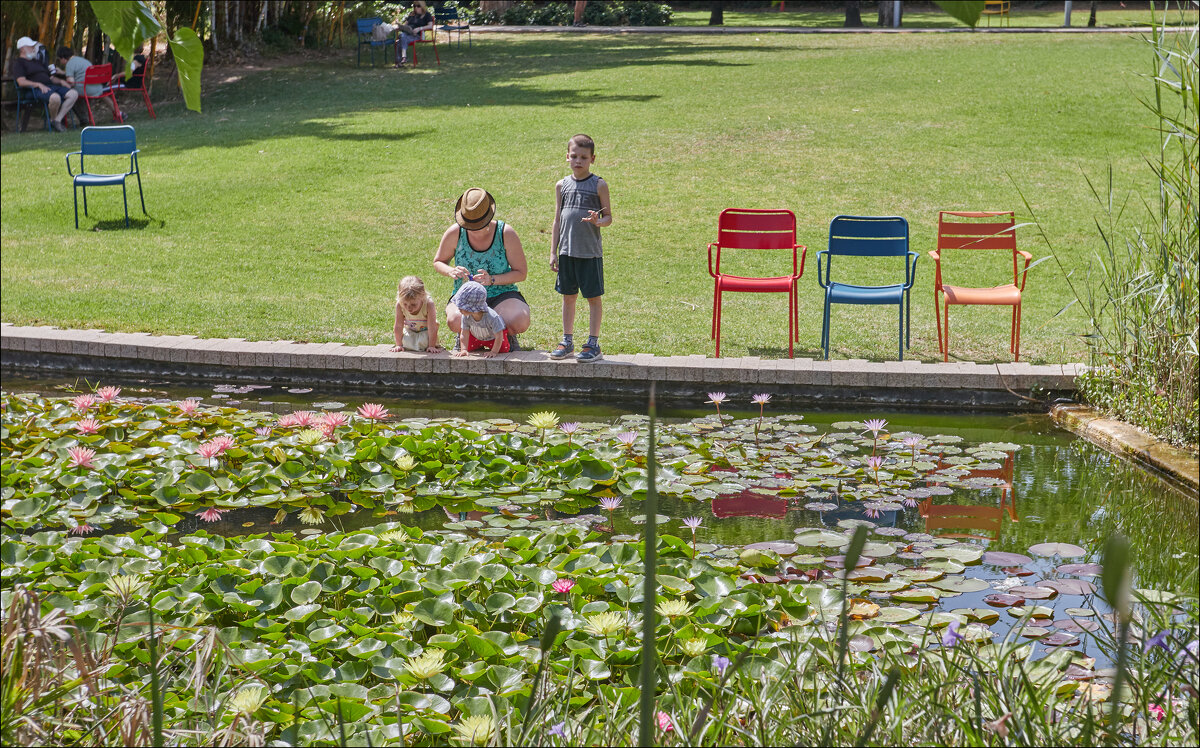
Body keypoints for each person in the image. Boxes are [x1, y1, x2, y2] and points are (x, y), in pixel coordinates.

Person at [433, 188, 531, 350]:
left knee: (518, 319)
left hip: (501, 295)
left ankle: (505, 337)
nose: (473, 229)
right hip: (466, 297)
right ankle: (468, 337)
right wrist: (450, 271)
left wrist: (492, 280)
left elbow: (521, 273)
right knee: (455, 320)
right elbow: (438, 262)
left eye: (478, 224)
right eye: (469, 224)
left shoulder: (505, 233)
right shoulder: (455, 232)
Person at [549, 134, 613, 363]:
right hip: (566, 252)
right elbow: (557, 219)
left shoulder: (599, 185)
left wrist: (598, 221)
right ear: (567, 157)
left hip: (589, 253)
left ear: (592, 159)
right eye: (574, 156)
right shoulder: (561, 185)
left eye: (584, 157)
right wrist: (552, 252)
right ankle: (567, 341)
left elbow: (609, 218)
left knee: (593, 297)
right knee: (568, 297)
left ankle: (593, 343)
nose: (578, 161)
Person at [12, 36, 78, 132]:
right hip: (34, 90)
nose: (33, 48)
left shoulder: (37, 61)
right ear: (22, 49)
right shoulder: (19, 63)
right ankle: (54, 120)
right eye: (31, 46)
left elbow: (50, 77)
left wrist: (61, 81)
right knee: (55, 98)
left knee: (73, 94)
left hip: (50, 86)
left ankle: (56, 120)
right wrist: (38, 84)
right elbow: (21, 81)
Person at [57, 46, 124, 124]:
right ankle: (119, 113)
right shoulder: (82, 60)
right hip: (97, 87)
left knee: (69, 95)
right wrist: (63, 73)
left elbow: (71, 82)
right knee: (101, 94)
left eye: (59, 60)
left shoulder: (69, 64)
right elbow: (82, 73)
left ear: (63, 58)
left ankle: (76, 120)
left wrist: (61, 81)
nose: (60, 62)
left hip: (85, 89)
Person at [450, 281, 511, 358]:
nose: (459, 309)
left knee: (503, 349)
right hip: (476, 336)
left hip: (493, 337)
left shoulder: (492, 317)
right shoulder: (466, 316)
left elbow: (499, 335)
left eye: (462, 307)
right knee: (469, 347)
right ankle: (478, 345)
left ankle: (510, 339)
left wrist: (494, 352)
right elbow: (464, 333)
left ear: (474, 307)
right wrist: (464, 350)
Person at [391, 275, 443, 352]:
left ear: (422, 296)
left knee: (424, 341)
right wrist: (399, 345)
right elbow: (398, 325)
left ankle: (418, 345)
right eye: (405, 304)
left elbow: (432, 327)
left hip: (425, 333)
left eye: (413, 304)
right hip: (411, 332)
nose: (409, 308)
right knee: (404, 339)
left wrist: (431, 346)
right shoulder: (399, 304)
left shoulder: (428, 304)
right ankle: (413, 345)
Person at [394, 0, 435, 67]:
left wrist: (419, 28)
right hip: (407, 34)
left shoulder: (427, 15)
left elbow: (430, 25)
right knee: (401, 37)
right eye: (414, 6)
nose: (416, 8)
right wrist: (401, 26)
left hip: (418, 35)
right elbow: (405, 25)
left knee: (400, 40)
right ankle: (403, 58)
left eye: (418, 6)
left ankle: (399, 62)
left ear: (422, 6)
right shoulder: (412, 14)